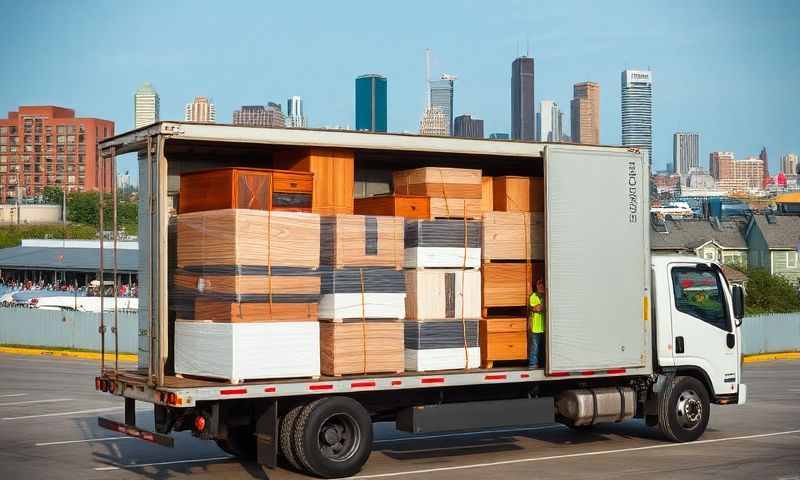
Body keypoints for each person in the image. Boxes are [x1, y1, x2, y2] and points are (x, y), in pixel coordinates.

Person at [528, 278, 546, 369]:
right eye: (539, 283)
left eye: (542, 283)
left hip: (546, 327)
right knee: (535, 347)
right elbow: (537, 308)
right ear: (536, 285)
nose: (541, 285)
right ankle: (533, 364)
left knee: (544, 348)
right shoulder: (533, 296)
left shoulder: (547, 295)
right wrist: (543, 303)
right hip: (536, 327)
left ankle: (543, 364)